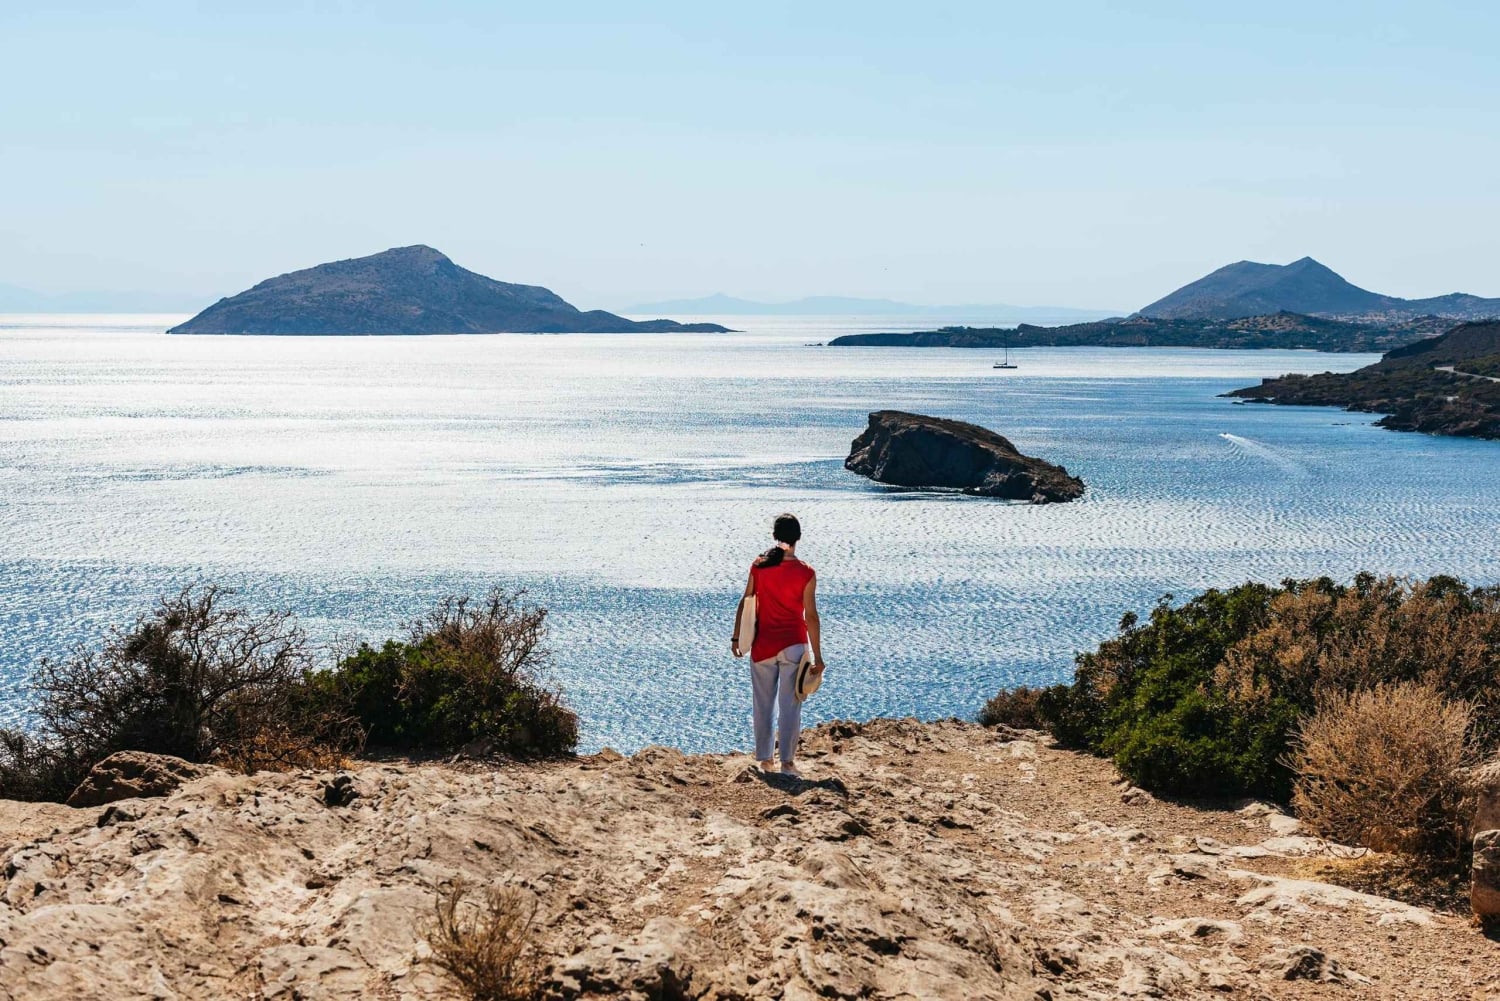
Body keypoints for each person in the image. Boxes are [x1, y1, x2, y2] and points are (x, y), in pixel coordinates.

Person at [731, 512, 825, 776]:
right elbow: (811, 617)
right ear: (798, 538)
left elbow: (745, 600)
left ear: (774, 536)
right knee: (790, 706)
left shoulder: (759, 566)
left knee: (762, 704)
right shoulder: (806, 573)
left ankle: (764, 760)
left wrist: (737, 637)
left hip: (763, 644)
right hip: (794, 645)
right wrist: (817, 656)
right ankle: (787, 762)